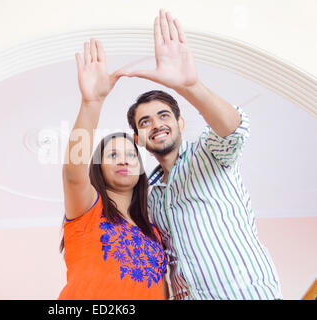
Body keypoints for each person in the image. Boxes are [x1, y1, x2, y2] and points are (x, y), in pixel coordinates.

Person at [124, 9, 283, 299]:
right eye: (145, 122)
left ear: (180, 123)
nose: (157, 125)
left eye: (163, 116)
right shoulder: (149, 196)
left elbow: (234, 130)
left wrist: (189, 86)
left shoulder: (209, 153)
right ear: (138, 138)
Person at [58, 38, 167, 299]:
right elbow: (73, 174)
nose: (124, 160)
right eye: (114, 154)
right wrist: (91, 104)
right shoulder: (87, 209)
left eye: (132, 155)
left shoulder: (155, 232)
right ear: (98, 167)